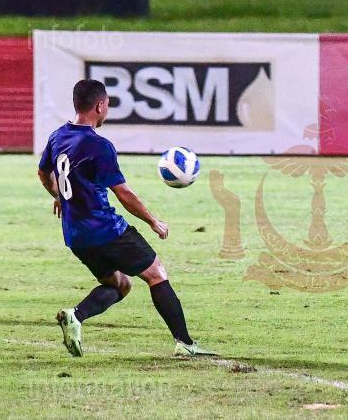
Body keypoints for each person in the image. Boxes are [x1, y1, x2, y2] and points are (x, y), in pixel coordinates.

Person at [38, 79, 216, 357]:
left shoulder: (57, 137)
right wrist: (153, 221)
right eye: (107, 105)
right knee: (156, 274)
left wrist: (59, 196)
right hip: (106, 230)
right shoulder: (99, 145)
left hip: (75, 236)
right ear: (100, 106)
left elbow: (43, 172)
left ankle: (76, 315)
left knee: (120, 284)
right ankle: (185, 343)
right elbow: (123, 193)